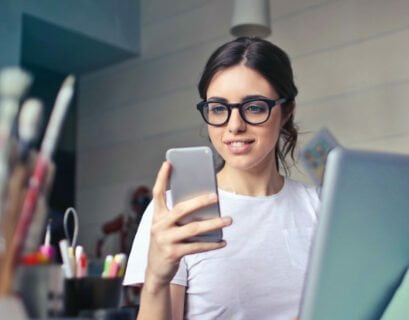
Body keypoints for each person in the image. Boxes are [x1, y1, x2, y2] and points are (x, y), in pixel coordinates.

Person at [124, 37, 320, 320]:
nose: (234, 126)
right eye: (218, 109)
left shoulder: (321, 207)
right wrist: (155, 280)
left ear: (287, 111)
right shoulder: (173, 213)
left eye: (254, 107)